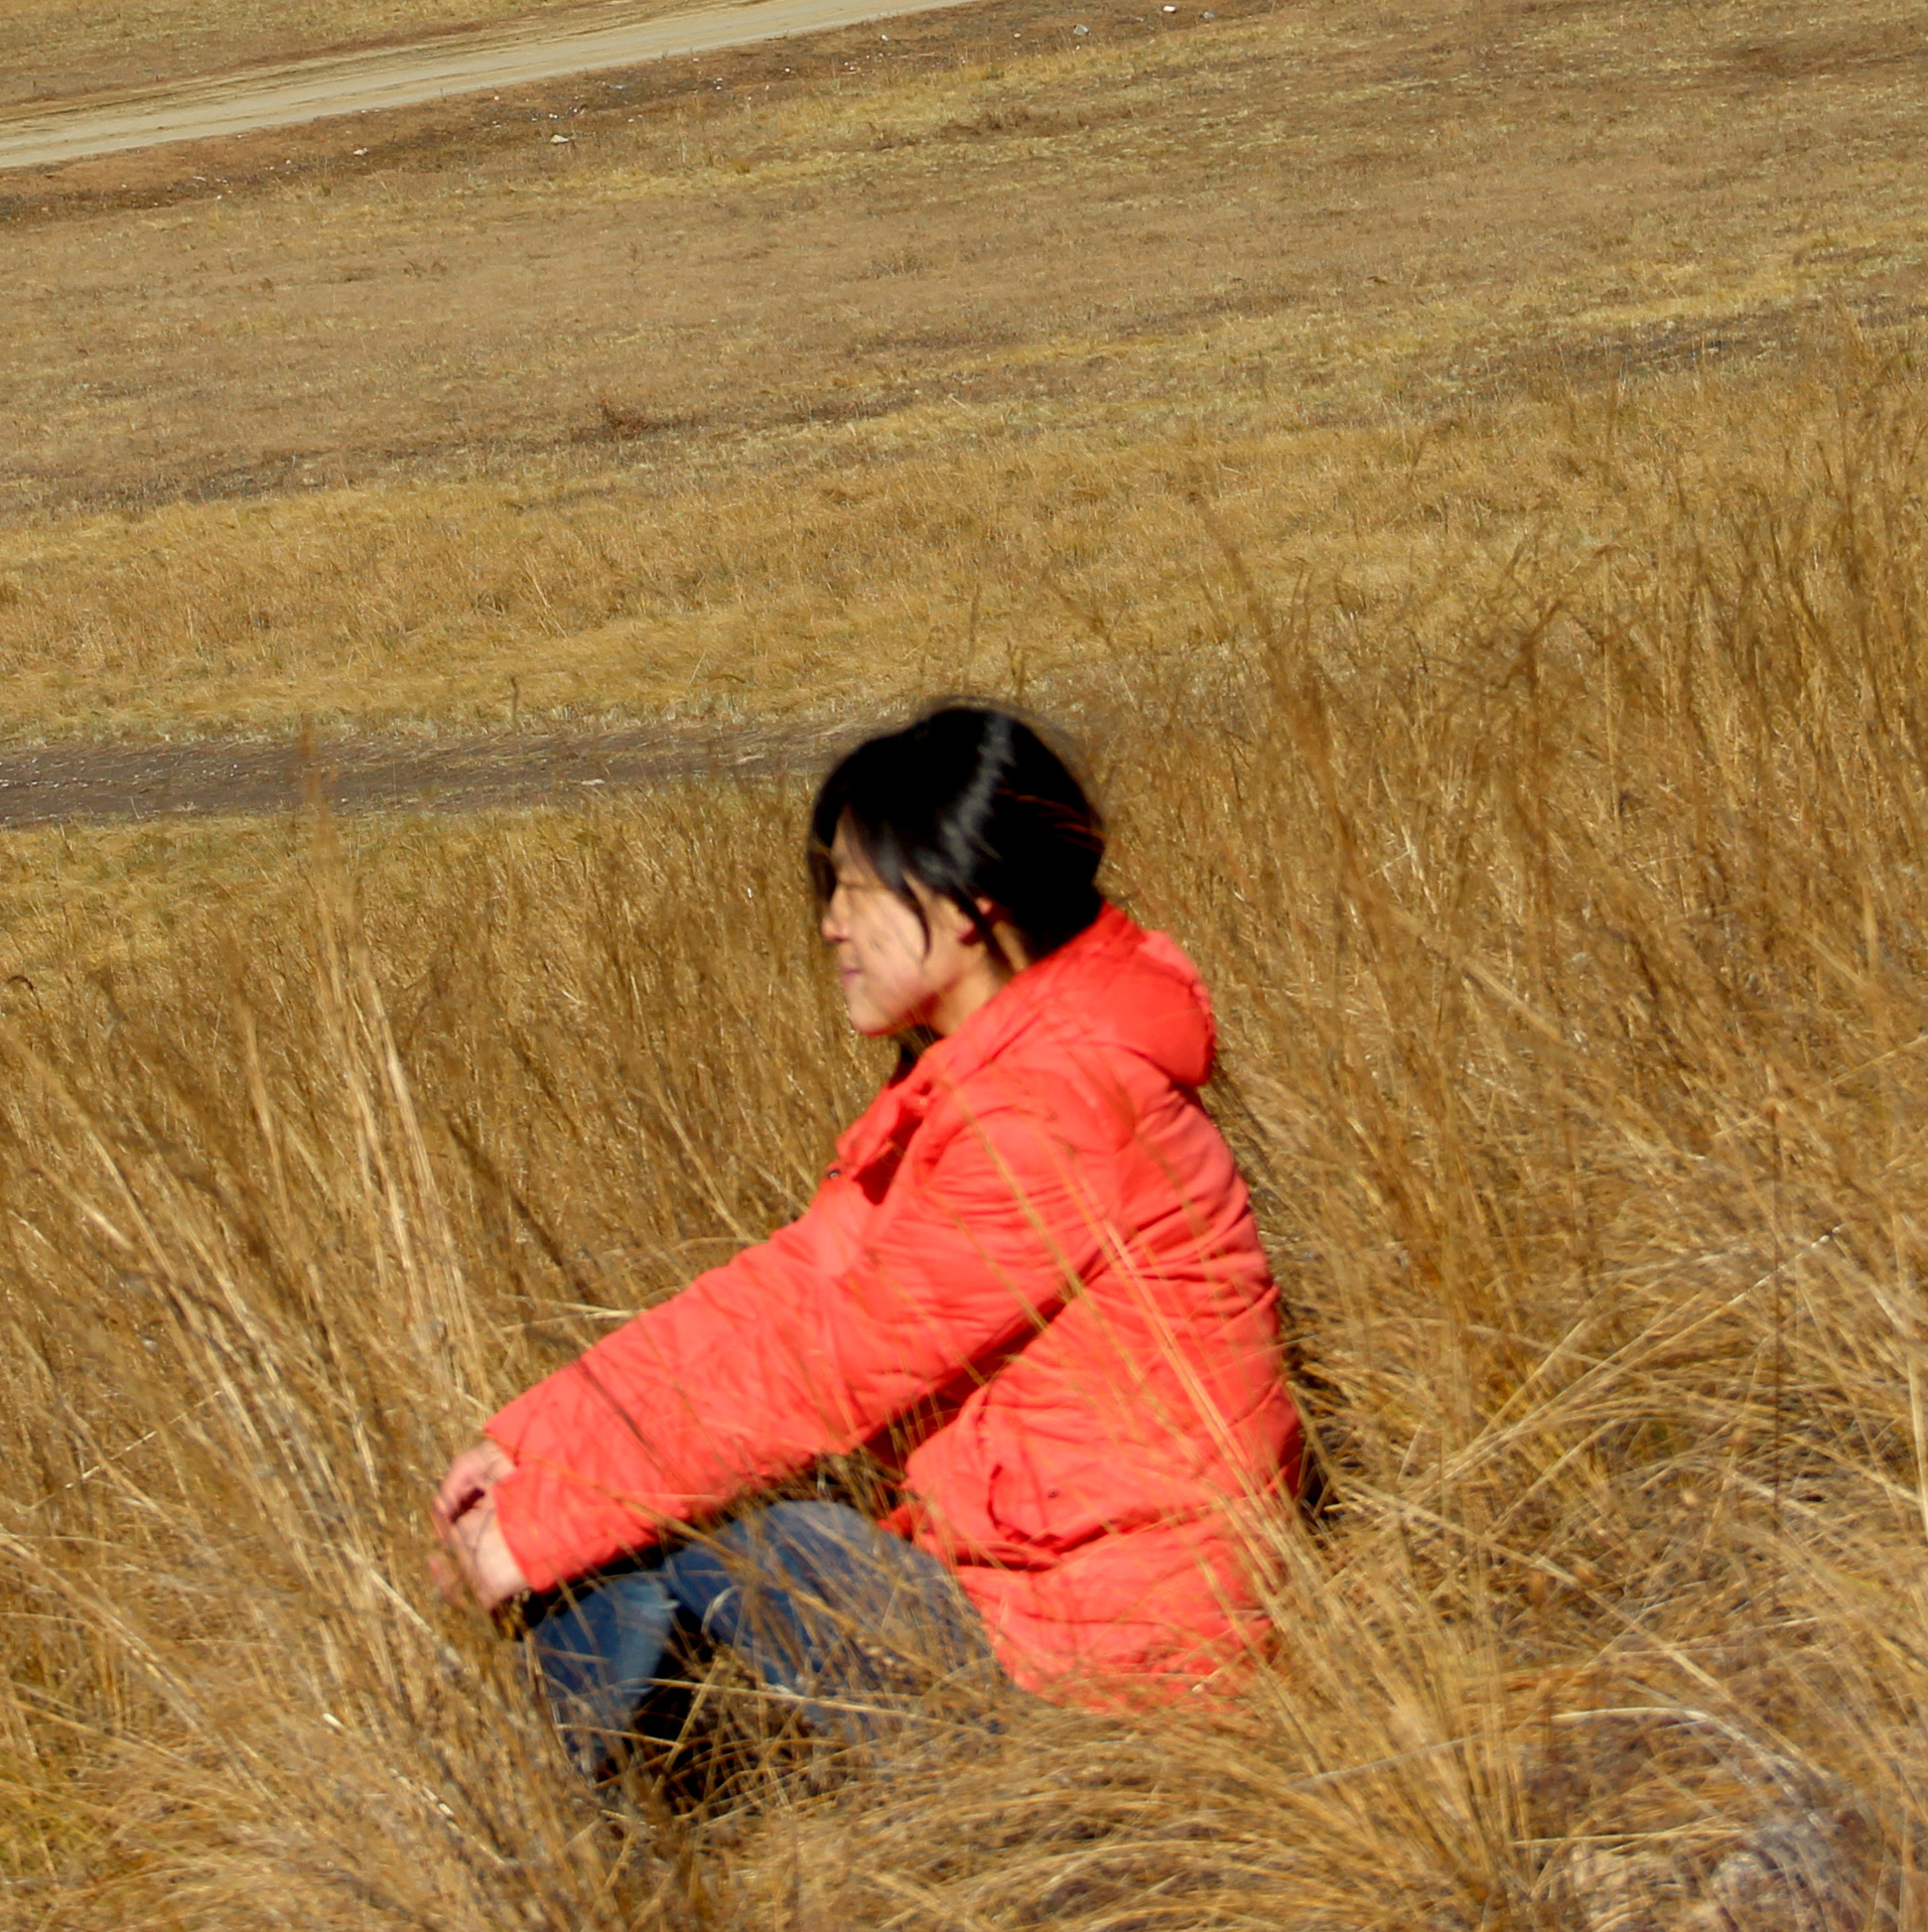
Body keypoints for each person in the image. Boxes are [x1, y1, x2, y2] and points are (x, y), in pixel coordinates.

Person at [427, 706, 1304, 1771]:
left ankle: (571, 1842)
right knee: (636, 1532)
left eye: (856, 887)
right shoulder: (986, 1080)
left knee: (730, 1546)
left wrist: (548, 1523)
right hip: (1025, 1607)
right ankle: (583, 1824)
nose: (831, 925)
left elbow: (825, 1371)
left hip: (1119, 1681)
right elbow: (792, 1284)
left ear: (967, 899)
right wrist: (537, 1441)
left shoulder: (1053, 1107)